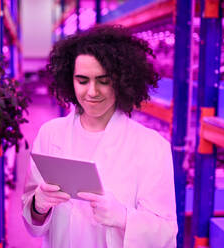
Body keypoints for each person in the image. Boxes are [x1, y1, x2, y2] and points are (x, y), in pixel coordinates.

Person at [22, 25, 177, 248]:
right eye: (82, 80)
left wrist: (124, 218)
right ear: (70, 80)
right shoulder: (50, 134)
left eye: (103, 81)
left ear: (122, 80)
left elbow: (167, 235)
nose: (92, 92)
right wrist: (38, 205)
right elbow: (32, 222)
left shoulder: (151, 146)